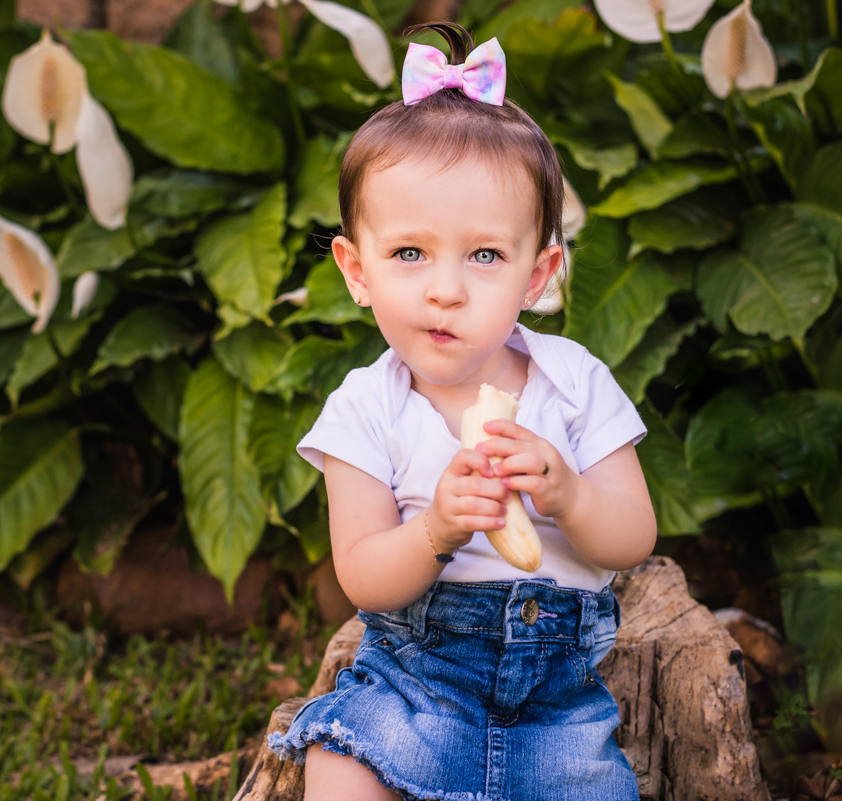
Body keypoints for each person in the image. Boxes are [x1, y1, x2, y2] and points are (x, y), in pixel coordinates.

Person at [264, 21, 656, 801]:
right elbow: (364, 578)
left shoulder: (571, 381)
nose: (446, 288)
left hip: (556, 702)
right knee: (341, 761)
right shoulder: (365, 408)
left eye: (484, 255)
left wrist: (569, 493)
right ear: (356, 268)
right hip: (416, 679)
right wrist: (435, 528)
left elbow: (634, 537)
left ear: (539, 272)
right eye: (409, 253)